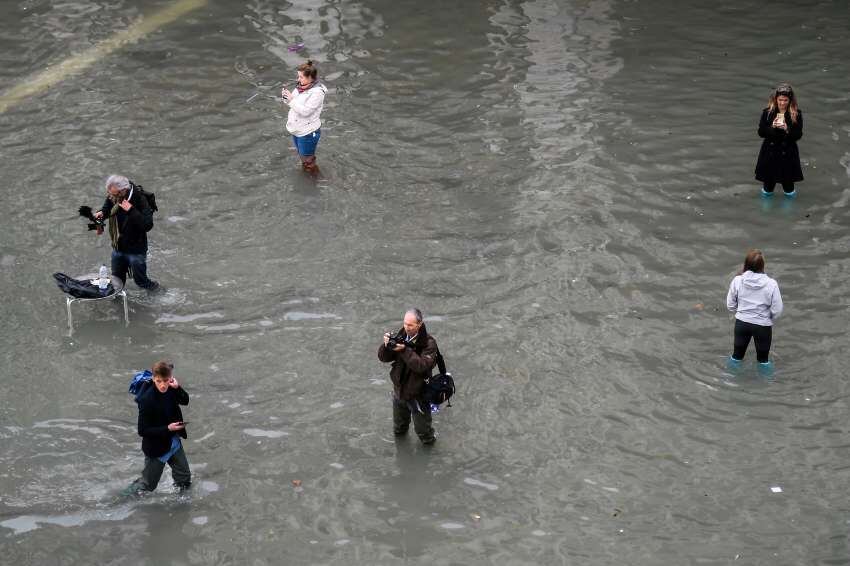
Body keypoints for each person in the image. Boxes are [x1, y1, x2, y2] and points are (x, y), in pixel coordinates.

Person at [128, 361, 191, 493]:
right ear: (153, 378)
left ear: (171, 377)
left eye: (166, 380)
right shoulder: (146, 400)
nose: (163, 385)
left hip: (174, 442)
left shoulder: (171, 388)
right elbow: (142, 430)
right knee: (147, 486)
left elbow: (185, 400)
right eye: (159, 381)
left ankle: (182, 507)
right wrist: (168, 428)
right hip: (157, 449)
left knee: (184, 478)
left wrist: (177, 387)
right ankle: (123, 498)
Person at [378, 308, 438, 445]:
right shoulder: (400, 336)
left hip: (419, 395)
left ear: (420, 324)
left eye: (410, 325)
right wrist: (386, 345)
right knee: (399, 429)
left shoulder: (429, 344)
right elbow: (383, 358)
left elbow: (421, 366)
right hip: (399, 392)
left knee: (425, 435)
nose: (406, 327)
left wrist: (404, 350)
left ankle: (429, 457)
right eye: (405, 323)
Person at [93, 175, 159, 290]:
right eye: (110, 194)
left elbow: (148, 225)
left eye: (114, 195)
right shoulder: (114, 195)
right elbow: (107, 209)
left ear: (123, 191)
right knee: (116, 282)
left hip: (136, 250)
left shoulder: (140, 198)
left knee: (141, 282)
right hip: (118, 247)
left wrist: (131, 210)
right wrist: (101, 214)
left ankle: (159, 292)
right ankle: (118, 303)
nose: (111, 197)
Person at [726, 249, 783, 371]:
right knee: (763, 361)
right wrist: (768, 317)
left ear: (746, 264)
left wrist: (741, 311)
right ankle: (767, 386)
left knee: (736, 357)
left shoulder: (737, 280)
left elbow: (730, 305)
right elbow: (777, 310)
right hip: (763, 326)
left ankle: (728, 380)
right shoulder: (771, 284)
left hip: (742, 324)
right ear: (763, 266)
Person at [755, 84, 803, 197]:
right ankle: (765, 211)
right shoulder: (767, 112)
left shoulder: (796, 114)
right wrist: (772, 127)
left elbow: (798, 135)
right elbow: (761, 132)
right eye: (780, 100)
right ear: (775, 99)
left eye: (785, 100)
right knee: (768, 187)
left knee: (789, 188)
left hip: (788, 153)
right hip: (770, 153)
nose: (782, 103)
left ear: (790, 100)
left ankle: (789, 212)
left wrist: (787, 129)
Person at [281, 60, 327, 174]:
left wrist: (291, 100)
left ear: (310, 77)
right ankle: (308, 175)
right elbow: (292, 104)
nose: (298, 79)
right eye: (298, 76)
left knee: (308, 160)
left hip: (308, 132)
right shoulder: (301, 87)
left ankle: (315, 180)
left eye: (301, 77)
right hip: (297, 129)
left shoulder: (317, 93)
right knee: (303, 157)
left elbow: (306, 112)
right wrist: (286, 98)